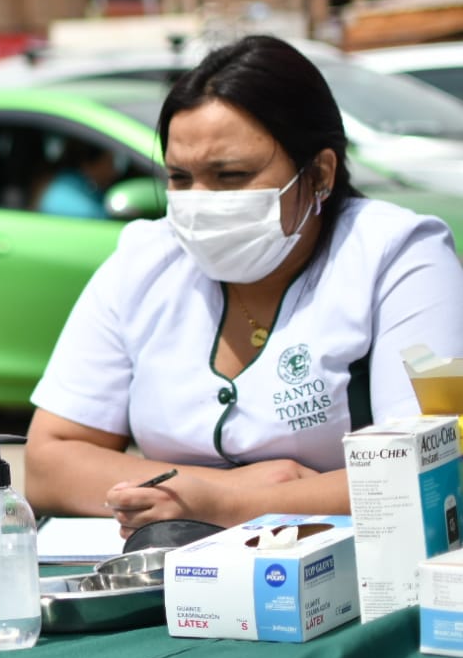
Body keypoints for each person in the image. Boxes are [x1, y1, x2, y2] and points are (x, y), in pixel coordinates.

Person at [25, 35, 463, 535]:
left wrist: (219, 505)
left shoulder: (399, 256)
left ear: (319, 173)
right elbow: (48, 463)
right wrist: (224, 492)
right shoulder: (143, 262)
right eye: (180, 178)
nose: (200, 200)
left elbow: (422, 469)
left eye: (230, 175)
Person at [34, 140, 117, 219]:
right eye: (110, 162)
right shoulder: (68, 190)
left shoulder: (82, 185)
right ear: (88, 164)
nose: (114, 171)